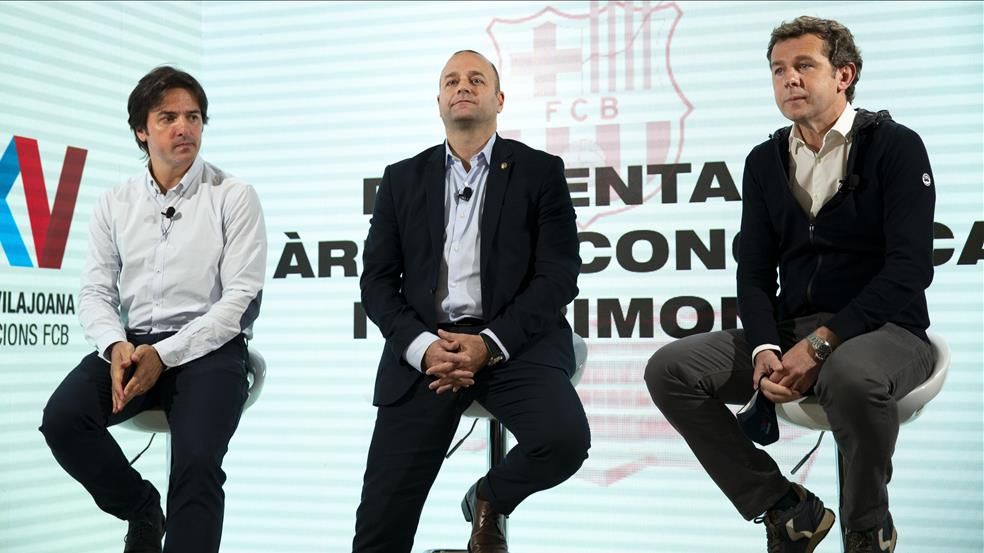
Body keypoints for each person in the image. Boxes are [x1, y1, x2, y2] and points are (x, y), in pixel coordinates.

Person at [644, 16, 936, 553]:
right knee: (671, 369)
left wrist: (822, 342)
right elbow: (753, 271)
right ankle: (787, 510)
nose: (789, 80)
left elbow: (910, 270)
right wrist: (763, 346)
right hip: (791, 326)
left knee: (848, 374)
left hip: (887, 330)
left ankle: (867, 529)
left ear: (844, 74)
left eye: (805, 66)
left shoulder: (896, 147)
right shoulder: (764, 161)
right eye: (779, 70)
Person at [353, 50, 590, 553]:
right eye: (452, 80)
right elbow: (375, 282)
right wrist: (419, 346)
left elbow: (558, 277)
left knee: (565, 441)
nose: (463, 86)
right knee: (379, 525)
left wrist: (490, 343)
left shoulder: (539, 171)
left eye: (476, 79)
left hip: (514, 345)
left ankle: (490, 494)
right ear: (438, 100)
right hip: (428, 350)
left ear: (499, 99)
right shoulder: (401, 179)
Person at [40, 66, 267, 553]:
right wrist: (116, 344)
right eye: (168, 117)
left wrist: (166, 354)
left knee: (198, 464)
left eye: (193, 117)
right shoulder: (114, 202)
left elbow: (240, 301)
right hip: (133, 342)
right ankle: (142, 507)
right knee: (62, 419)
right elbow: (96, 291)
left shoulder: (234, 196)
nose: (184, 127)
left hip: (211, 348)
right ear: (141, 130)